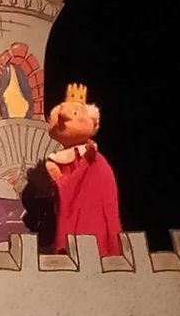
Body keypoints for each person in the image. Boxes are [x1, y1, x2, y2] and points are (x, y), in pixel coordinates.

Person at [44, 83, 122, 256]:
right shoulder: (58, 160)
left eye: (74, 113)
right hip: (72, 223)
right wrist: (81, 165)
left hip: (95, 225)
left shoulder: (97, 160)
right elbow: (64, 189)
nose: (63, 117)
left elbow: (107, 197)